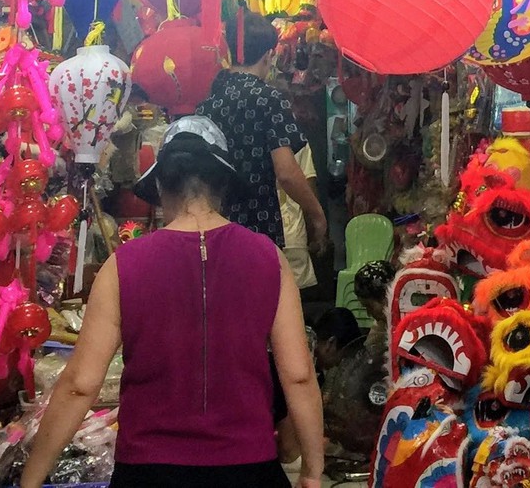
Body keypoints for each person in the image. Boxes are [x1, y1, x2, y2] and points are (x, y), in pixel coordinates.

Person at [19, 116, 325, 488]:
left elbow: (80, 385)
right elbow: (298, 375)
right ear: (223, 184)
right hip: (248, 468)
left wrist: (30, 480)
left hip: (148, 472)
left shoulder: (124, 264)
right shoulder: (268, 258)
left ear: (162, 186)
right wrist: (312, 470)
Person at [198, 7, 328, 257]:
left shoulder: (208, 103)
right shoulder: (268, 99)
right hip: (258, 227)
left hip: (215, 229)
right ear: (269, 55)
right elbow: (287, 173)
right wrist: (317, 214)